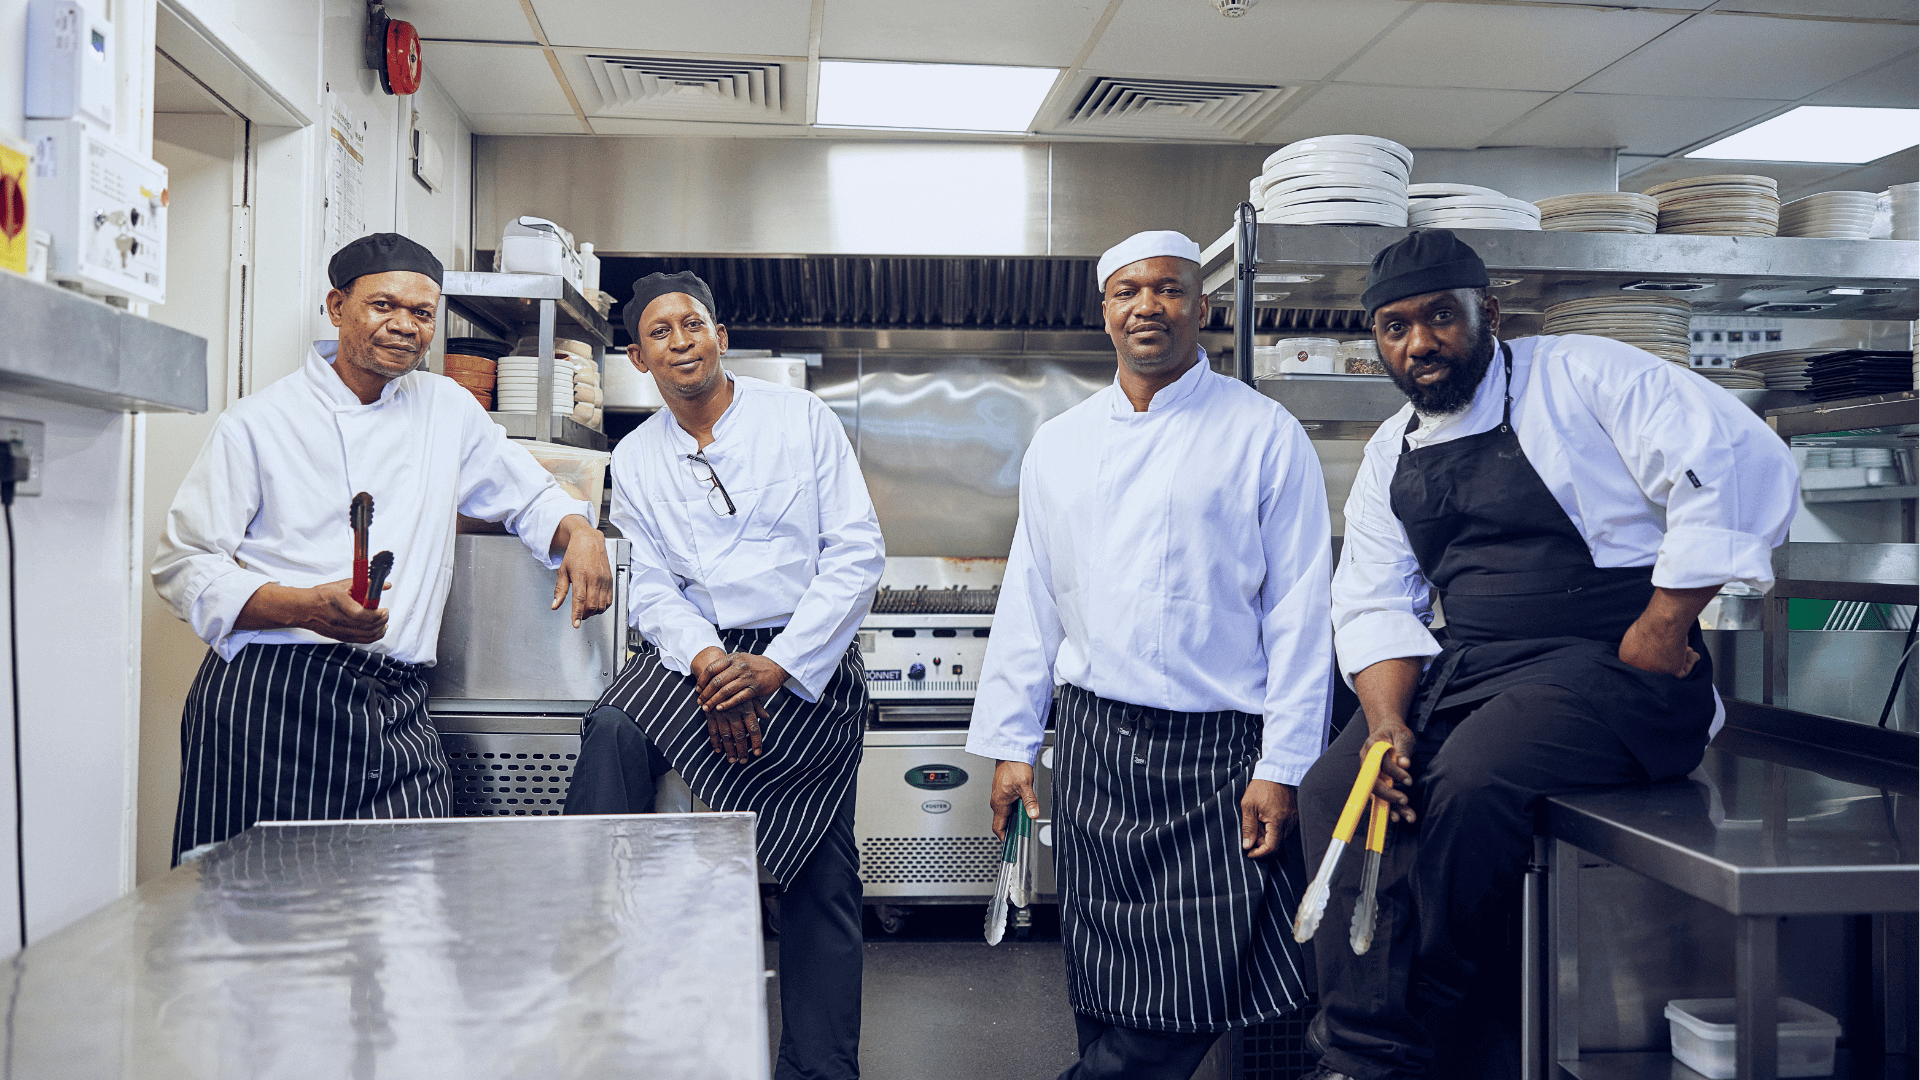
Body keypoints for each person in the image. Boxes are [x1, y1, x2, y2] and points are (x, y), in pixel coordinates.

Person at [1297, 229, 1799, 1080]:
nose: (1419, 343)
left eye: (1438, 318)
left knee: (1472, 779)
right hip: (1477, 666)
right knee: (1336, 785)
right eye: (1394, 328)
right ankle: (1362, 1048)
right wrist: (1384, 724)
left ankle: (1422, 1033)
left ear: (1486, 312)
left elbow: (1739, 459)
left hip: (1621, 670)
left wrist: (1664, 625)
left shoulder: (1584, 375)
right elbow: (1376, 598)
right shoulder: (1391, 450)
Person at [967, 230, 1333, 1080]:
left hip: (1219, 752)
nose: (1148, 306)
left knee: (1198, 978)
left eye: (1168, 289)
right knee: (1101, 979)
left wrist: (1284, 764)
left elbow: (1301, 614)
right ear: (1105, 312)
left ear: (1201, 308)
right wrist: (1013, 748)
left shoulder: (1263, 433)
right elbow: (1032, 601)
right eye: (1128, 291)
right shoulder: (1059, 444)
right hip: (1095, 744)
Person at [153, 231, 613, 862]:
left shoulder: (445, 408)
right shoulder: (259, 423)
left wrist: (579, 531)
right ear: (336, 306)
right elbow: (183, 564)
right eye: (383, 306)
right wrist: (303, 606)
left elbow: (529, 495)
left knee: (403, 921)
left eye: (422, 314)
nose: (405, 326)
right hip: (272, 703)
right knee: (250, 925)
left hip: (396, 703)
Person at [563, 271, 884, 1080]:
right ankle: (583, 987)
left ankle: (819, 1068)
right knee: (610, 728)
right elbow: (659, 591)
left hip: (802, 651)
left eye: (693, 325)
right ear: (638, 356)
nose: (681, 342)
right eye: (661, 333)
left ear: (721, 337)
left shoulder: (800, 418)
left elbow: (855, 554)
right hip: (696, 654)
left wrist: (775, 667)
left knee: (821, 865)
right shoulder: (634, 458)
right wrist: (710, 663)